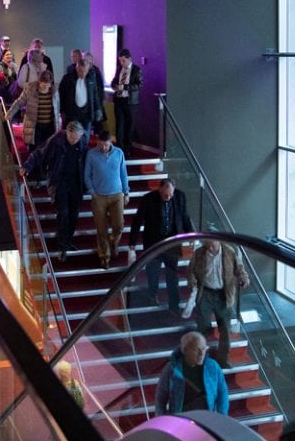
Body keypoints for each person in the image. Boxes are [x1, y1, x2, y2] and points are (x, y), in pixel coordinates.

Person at [19, 120, 88, 261]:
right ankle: (62, 246)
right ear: (67, 133)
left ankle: (67, 241)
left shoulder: (82, 141)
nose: (74, 141)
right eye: (72, 138)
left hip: (75, 182)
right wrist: (27, 166)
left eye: (77, 138)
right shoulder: (57, 140)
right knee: (63, 212)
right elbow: (39, 153)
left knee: (74, 214)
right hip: (59, 181)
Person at [128, 178, 194, 314]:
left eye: (170, 195)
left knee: (172, 276)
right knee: (153, 272)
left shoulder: (180, 196)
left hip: (172, 242)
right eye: (165, 195)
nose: (168, 197)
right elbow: (137, 220)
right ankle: (152, 295)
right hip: (153, 242)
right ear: (160, 189)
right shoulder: (148, 199)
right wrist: (132, 243)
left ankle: (174, 305)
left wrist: (191, 235)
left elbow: (185, 217)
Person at [188, 235, 250, 368]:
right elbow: (191, 271)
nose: (210, 248)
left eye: (212, 245)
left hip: (223, 294)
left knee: (225, 329)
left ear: (219, 242)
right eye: (208, 245)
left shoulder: (229, 252)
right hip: (205, 293)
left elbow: (239, 269)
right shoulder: (199, 253)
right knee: (202, 326)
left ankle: (223, 359)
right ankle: (197, 358)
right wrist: (192, 282)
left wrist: (244, 279)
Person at [84, 130, 129, 269]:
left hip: (117, 194)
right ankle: (104, 256)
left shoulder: (119, 153)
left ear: (110, 143)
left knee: (119, 225)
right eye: (100, 144)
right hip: (99, 196)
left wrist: (126, 192)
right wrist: (92, 192)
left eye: (105, 145)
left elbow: (123, 173)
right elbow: (87, 175)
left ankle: (113, 242)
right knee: (101, 228)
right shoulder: (91, 154)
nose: (103, 147)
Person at [155, 331, 229, 416]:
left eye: (204, 349)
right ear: (185, 350)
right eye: (196, 350)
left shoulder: (212, 366)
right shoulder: (172, 369)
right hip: (181, 417)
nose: (201, 354)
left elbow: (222, 393)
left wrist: (222, 417)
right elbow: (160, 398)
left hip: (206, 416)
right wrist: (162, 419)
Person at [6, 69, 60, 164]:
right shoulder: (30, 89)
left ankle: (44, 170)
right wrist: (10, 113)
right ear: (39, 81)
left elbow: (57, 109)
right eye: (43, 83)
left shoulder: (54, 91)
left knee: (48, 151)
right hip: (34, 126)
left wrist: (58, 124)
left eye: (47, 84)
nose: (45, 86)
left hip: (50, 127)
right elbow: (19, 102)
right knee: (34, 151)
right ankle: (34, 170)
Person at [58, 57, 103, 137]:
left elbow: (95, 95)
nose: (83, 74)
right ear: (76, 68)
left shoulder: (91, 78)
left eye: (85, 71)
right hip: (72, 113)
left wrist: (98, 109)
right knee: (72, 136)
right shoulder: (67, 79)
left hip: (87, 113)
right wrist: (61, 111)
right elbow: (61, 95)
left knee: (85, 137)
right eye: (80, 71)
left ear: (88, 69)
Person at [111, 48, 142, 157]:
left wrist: (124, 87)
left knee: (129, 126)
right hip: (119, 100)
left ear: (129, 59)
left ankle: (128, 150)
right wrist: (114, 86)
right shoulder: (119, 68)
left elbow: (139, 85)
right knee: (119, 126)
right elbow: (114, 81)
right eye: (120, 60)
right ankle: (119, 149)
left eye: (123, 60)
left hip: (130, 102)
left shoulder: (136, 70)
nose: (121, 62)